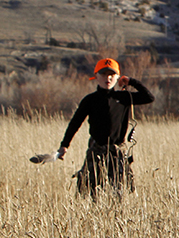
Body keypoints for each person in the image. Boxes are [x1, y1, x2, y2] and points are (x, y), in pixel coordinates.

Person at [58, 57, 155, 198]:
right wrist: (64, 146)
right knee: (86, 192)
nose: (107, 78)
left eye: (112, 75)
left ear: (117, 77)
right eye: (103, 74)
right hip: (96, 151)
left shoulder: (124, 97)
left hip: (118, 153)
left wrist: (131, 81)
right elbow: (75, 123)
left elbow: (149, 97)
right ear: (96, 76)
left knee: (119, 194)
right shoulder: (90, 100)